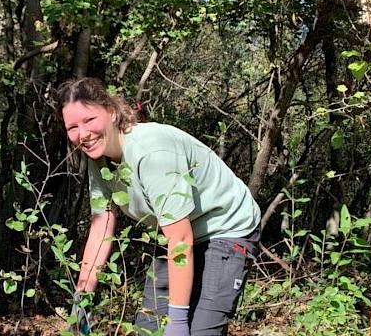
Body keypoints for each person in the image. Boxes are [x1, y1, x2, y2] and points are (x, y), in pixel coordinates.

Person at [57, 78, 260, 336]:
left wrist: (177, 321)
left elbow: (180, 238)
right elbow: (102, 226)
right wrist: (82, 299)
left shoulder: (151, 152)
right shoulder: (99, 160)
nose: (82, 134)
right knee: (149, 329)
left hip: (225, 226)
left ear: (110, 112)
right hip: (180, 233)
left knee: (197, 331)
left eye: (89, 120)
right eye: (72, 127)